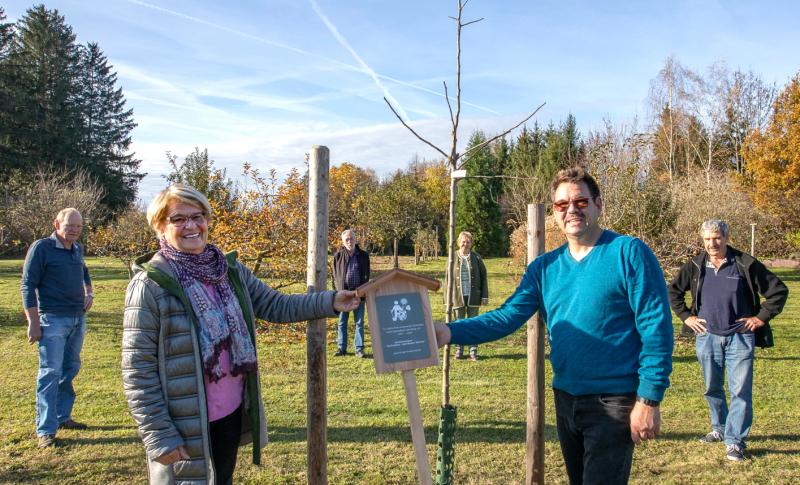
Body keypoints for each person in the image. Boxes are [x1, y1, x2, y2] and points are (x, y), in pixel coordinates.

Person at [434, 167, 674, 485]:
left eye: (580, 202)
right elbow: (507, 316)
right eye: (562, 205)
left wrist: (649, 399)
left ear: (598, 204)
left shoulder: (628, 253)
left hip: (613, 400)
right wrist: (448, 332)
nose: (571, 210)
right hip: (566, 398)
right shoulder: (544, 268)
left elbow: (656, 327)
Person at [122, 184, 359, 484]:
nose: (191, 226)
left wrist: (330, 301)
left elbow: (275, 305)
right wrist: (158, 435)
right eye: (178, 219)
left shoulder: (228, 270)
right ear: (159, 226)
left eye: (198, 216)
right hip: (183, 423)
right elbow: (137, 370)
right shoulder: (151, 285)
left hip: (229, 412)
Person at [668, 219, 788, 462]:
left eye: (717, 238)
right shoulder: (695, 265)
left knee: (740, 391)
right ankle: (719, 428)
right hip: (706, 337)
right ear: (702, 241)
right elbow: (673, 291)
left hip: (740, 337)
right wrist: (687, 317)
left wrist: (761, 318)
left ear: (726, 238)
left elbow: (778, 291)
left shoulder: (745, 263)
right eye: (707, 239)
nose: (712, 243)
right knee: (712, 388)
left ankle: (735, 441)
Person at [21, 208, 93, 449]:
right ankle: (46, 430)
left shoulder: (77, 249)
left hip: (77, 318)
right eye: (70, 225)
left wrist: (89, 292)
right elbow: (28, 285)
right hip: (52, 319)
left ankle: (63, 417)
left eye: (78, 227)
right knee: (50, 373)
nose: (74, 230)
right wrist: (33, 321)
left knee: (70, 368)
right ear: (57, 224)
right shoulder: (41, 248)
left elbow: (84, 271)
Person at [450, 231, 488, 361]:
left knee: (473, 324)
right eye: (463, 241)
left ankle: (473, 351)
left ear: (471, 243)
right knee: (458, 324)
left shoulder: (476, 257)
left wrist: (484, 296)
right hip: (457, 297)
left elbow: (484, 277)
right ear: (459, 242)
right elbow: (447, 278)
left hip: (473, 297)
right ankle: (459, 350)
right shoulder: (452, 257)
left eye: (468, 242)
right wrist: (447, 299)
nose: (465, 244)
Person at [332, 228, 370, 358]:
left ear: (355, 239)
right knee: (342, 321)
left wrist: (364, 291)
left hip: (359, 293)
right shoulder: (337, 256)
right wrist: (337, 292)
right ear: (343, 242)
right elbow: (334, 275)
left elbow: (367, 275)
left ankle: (359, 349)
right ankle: (341, 348)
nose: (350, 241)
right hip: (343, 294)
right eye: (347, 239)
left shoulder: (364, 255)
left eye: (351, 238)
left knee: (359, 322)